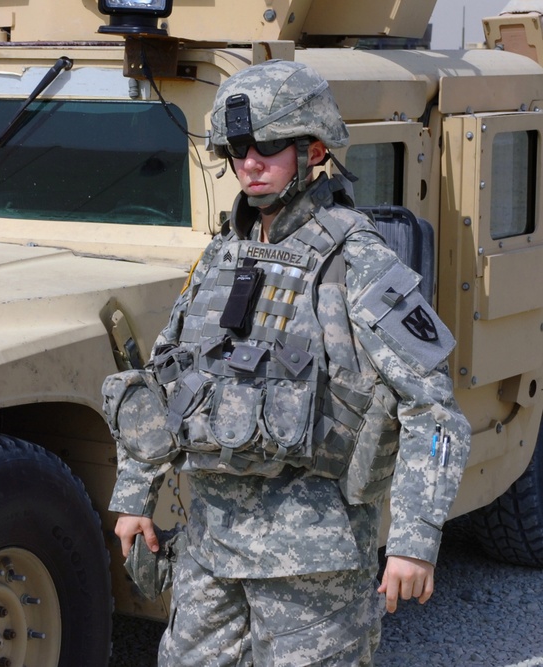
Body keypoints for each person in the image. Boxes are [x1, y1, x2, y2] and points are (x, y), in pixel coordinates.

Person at [104, 59, 470, 666]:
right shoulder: (224, 253)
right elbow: (166, 381)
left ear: (315, 149)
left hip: (314, 562)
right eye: (238, 147)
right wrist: (135, 494)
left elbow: (434, 414)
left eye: (268, 146)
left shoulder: (357, 261)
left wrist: (414, 540)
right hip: (209, 549)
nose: (249, 162)